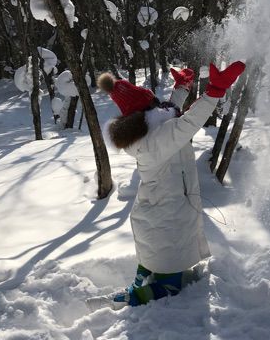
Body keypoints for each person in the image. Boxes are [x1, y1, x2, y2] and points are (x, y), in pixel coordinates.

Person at [88, 61, 245, 309]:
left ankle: (138, 284)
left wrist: (181, 87)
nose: (160, 107)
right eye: (154, 104)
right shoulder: (158, 140)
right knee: (169, 282)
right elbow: (187, 122)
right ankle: (125, 300)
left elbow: (170, 110)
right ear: (146, 114)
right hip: (167, 217)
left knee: (155, 258)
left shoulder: (148, 133)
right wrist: (214, 92)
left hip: (157, 211)